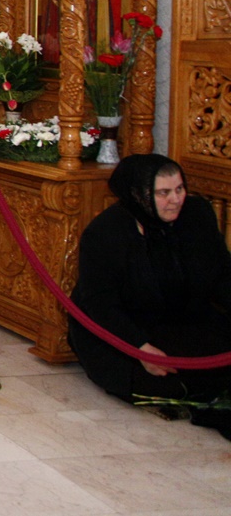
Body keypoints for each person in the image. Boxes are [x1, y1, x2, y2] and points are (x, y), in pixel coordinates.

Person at [69, 155, 231, 439]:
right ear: (138, 195)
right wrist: (140, 349)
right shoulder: (105, 233)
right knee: (166, 380)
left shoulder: (197, 214)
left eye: (179, 189)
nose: (175, 200)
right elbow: (100, 305)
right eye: (163, 193)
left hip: (182, 318)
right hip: (124, 329)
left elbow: (221, 275)